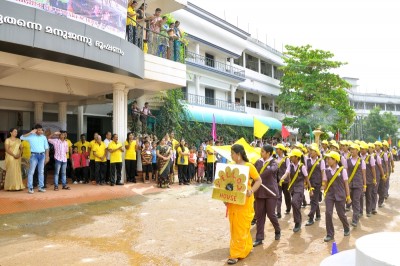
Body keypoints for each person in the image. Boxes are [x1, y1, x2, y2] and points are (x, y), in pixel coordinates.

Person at [225, 144, 262, 265]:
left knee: (242, 226)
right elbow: (226, 184)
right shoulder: (230, 166)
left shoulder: (249, 166)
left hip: (245, 201)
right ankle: (246, 247)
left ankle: (236, 254)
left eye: (232, 154)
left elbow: (258, 180)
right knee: (235, 227)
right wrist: (224, 198)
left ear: (239, 155)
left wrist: (251, 191)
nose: (231, 156)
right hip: (233, 201)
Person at [253, 145, 281, 247]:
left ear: (268, 153)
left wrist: (258, 178)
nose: (261, 153)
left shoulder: (274, 163)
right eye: (261, 151)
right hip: (260, 192)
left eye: (263, 151)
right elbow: (252, 171)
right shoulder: (258, 162)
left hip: (271, 192)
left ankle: (277, 230)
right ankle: (259, 238)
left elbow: (271, 170)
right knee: (259, 215)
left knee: (271, 214)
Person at [279, 149, 312, 232]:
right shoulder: (290, 165)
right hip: (293, 187)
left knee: (294, 202)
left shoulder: (302, 166)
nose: (290, 157)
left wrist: (310, 189)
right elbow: (286, 173)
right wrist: (281, 179)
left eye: (292, 156)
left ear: (297, 158)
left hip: (300, 187)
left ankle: (297, 222)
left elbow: (307, 178)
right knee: (295, 205)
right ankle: (298, 220)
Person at [321, 151, 351, 242]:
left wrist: (348, 197)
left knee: (341, 213)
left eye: (329, 159)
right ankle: (330, 234)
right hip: (330, 195)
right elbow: (325, 182)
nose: (327, 160)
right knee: (328, 213)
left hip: (340, 195)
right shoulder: (326, 171)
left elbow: (346, 184)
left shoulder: (343, 170)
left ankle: (346, 228)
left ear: (335, 160)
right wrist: (323, 190)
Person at [20, 124, 50, 194]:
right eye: (38, 130)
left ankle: (41, 187)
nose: (40, 131)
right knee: (31, 172)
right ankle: (30, 187)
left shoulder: (44, 137)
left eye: (41, 130)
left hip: (42, 155)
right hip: (34, 155)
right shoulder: (31, 136)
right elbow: (21, 137)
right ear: (35, 130)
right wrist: (31, 132)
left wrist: (47, 156)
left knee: (41, 171)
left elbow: (46, 148)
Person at [342, 144, 366, 227]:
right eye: (351, 149)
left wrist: (364, 185)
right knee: (351, 200)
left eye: (354, 149)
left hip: (358, 184)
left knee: (356, 201)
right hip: (350, 183)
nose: (352, 151)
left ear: (357, 151)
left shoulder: (362, 161)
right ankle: (356, 214)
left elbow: (363, 174)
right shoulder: (347, 161)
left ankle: (355, 219)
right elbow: (345, 173)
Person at [305, 143, 325, 226]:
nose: (310, 152)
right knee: (314, 199)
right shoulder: (307, 160)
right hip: (310, 183)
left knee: (313, 200)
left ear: (316, 152)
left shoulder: (321, 161)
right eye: (310, 151)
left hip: (317, 183)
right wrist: (305, 182)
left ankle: (311, 218)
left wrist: (323, 184)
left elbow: (323, 172)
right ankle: (318, 214)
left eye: (312, 151)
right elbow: (306, 171)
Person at [360, 142, 376, 217]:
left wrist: (374, 179)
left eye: (363, 149)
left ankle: (368, 211)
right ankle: (360, 211)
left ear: (366, 150)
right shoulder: (358, 158)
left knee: (368, 195)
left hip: (369, 179)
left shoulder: (370, 158)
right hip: (360, 180)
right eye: (360, 149)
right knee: (359, 196)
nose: (361, 150)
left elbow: (373, 169)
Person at [275, 143, 290, 218]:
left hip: (285, 181)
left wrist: (286, 177)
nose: (276, 150)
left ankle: (288, 208)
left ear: (281, 150)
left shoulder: (287, 159)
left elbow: (288, 169)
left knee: (287, 195)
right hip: (278, 180)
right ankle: (278, 212)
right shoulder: (275, 158)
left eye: (277, 149)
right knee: (278, 196)